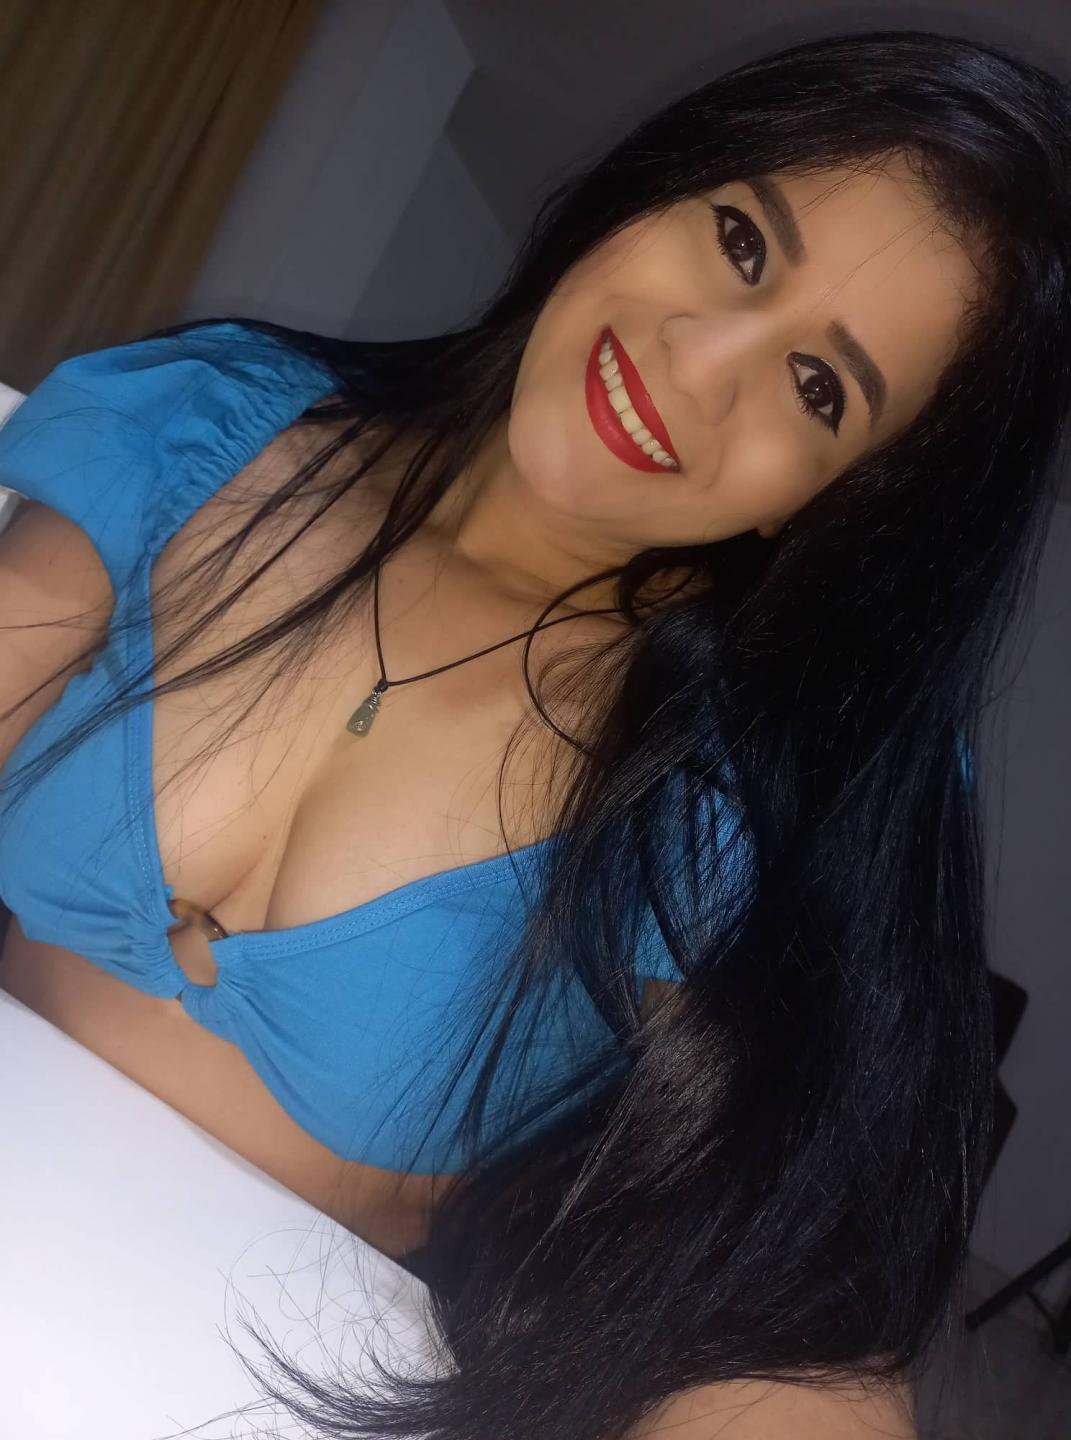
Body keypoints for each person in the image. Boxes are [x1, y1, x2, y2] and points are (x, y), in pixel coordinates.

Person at [0, 24, 1067, 1440]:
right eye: (743, 242)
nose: (698, 363)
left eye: (821, 389)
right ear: (654, 189)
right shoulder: (207, 424)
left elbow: (788, 1326)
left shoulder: (728, 804)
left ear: (833, 502)